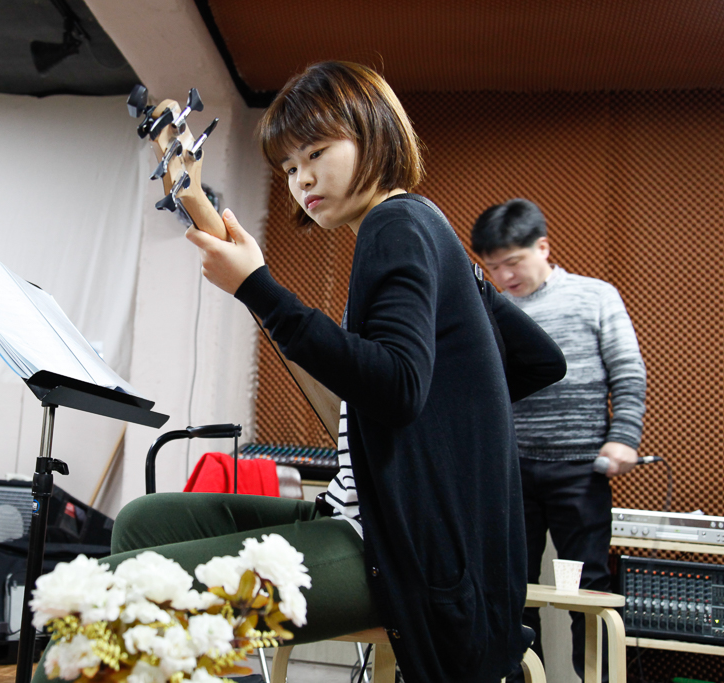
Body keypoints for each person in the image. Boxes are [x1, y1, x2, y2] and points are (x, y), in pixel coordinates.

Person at [33, 62, 565, 683]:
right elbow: (540, 360)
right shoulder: (427, 228)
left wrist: (257, 287)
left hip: (396, 551)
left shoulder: (395, 224)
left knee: (102, 605)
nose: (301, 178)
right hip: (355, 517)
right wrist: (447, 422)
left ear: (375, 134)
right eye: (287, 167)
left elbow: (397, 387)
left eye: (316, 153)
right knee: (143, 520)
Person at [471, 198, 647, 680]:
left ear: (543, 247)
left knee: (588, 590)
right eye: (493, 267)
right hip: (510, 470)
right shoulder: (490, 309)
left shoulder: (595, 296)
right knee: (511, 589)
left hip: (580, 469)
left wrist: (623, 438)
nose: (504, 276)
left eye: (513, 262)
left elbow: (628, 372)